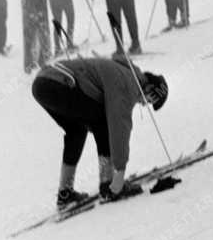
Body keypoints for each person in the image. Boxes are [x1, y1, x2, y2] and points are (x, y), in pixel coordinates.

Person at [31, 56, 168, 208]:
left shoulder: (124, 72)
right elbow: (119, 127)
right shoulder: (129, 84)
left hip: (42, 84)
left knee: (76, 131)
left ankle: (65, 193)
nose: (144, 104)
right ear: (148, 89)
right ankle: (108, 185)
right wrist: (120, 172)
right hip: (60, 83)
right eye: (149, 100)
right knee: (103, 124)